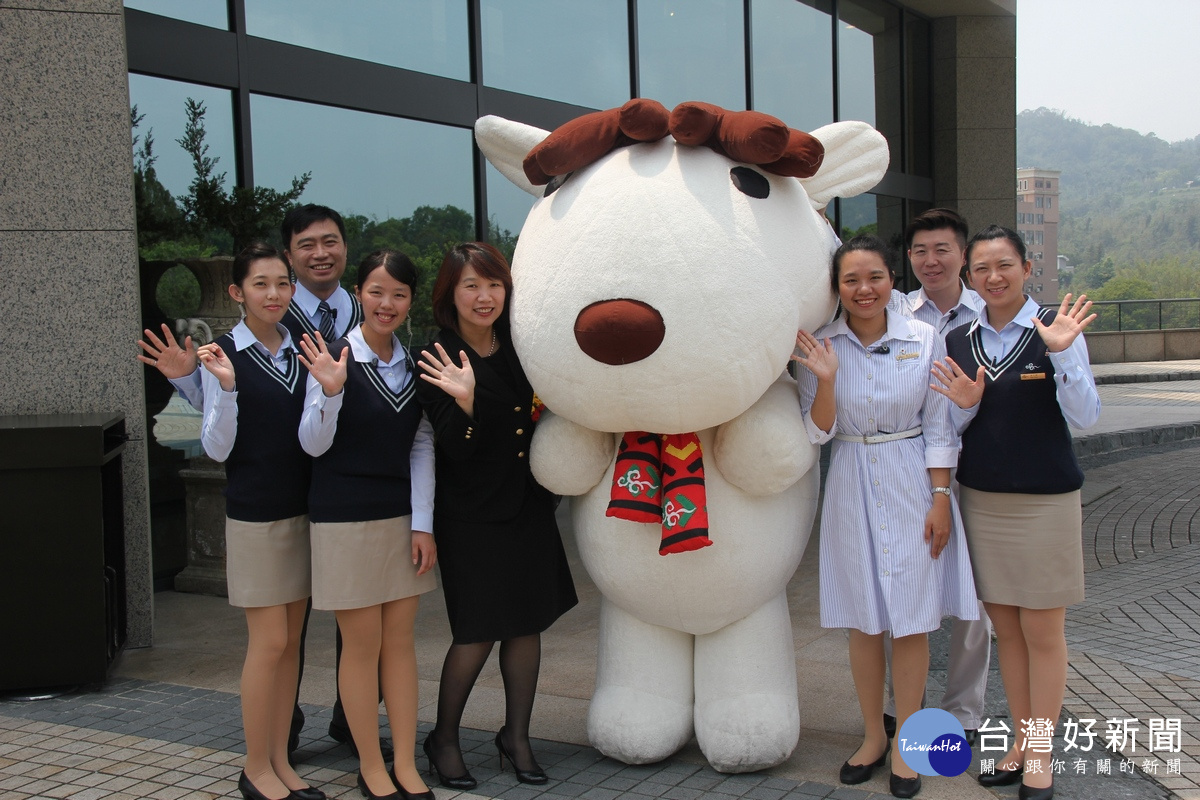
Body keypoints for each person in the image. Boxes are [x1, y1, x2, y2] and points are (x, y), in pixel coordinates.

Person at [136, 204, 380, 758]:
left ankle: (353, 719)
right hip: (273, 500)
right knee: (278, 639)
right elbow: (228, 425)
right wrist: (190, 381)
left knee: (357, 620)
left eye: (331, 241)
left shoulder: (368, 310)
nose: (321, 253)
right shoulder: (259, 334)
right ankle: (274, 742)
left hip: (347, 493)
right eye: (306, 246)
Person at [795, 235, 978, 799]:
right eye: (851, 280)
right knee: (864, 616)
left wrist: (941, 499)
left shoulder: (924, 339)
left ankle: (908, 745)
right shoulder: (820, 346)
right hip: (850, 474)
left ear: (890, 279)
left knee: (913, 616)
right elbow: (817, 432)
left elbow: (940, 426)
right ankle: (874, 734)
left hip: (910, 477)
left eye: (874, 276)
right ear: (838, 288)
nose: (864, 289)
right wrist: (825, 379)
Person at [931, 225, 1099, 800]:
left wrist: (1064, 356)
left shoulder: (1056, 331)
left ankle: (1042, 754)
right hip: (984, 500)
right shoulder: (958, 341)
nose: (993, 277)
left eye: (1005, 265)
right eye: (981, 268)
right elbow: (951, 428)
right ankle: (1023, 743)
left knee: (1042, 630)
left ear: (1027, 268)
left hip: (1046, 501)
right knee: (1007, 630)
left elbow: (1087, 415)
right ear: (970, 278)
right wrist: (964, 408)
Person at [414, 242, 578, 789]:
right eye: (470, 286)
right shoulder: (437, 355)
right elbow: (455, 450)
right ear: (450, 295)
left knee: (526, 624)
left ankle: (517, 736)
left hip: (526, 506)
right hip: (469, 516)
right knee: (477, 632)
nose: (484, 297)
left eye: (493, 285)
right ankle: (443, 738)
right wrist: (464, 405)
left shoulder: (519, 347)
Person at [298, 249, 437, 800]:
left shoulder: (416, 361)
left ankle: (404, 762)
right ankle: (369, 766)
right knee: (361, 646)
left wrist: (422, 524)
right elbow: (312, 443)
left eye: (399, 294)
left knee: (400, 644)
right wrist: (331, 390)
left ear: (410, 302)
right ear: (359, 293)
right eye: (378, 291)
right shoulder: (332, 356)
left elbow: (422, 443)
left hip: (401, 519)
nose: (388, 303)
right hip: (343, 518)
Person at [194, 243, 325, 800]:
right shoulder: (221, 354)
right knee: (268, 642)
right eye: (260, 284)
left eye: (282, 284)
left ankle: (279, 760)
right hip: (255, 517)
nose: (274, 294)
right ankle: (254, 767)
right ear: (237, 292)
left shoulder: (302, 350)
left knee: (292, 644)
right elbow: (217, 447)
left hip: (304, 512)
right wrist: (225, 388)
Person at [882, 208, 991, 744]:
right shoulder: (894, 311)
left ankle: (963, 712)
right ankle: (900, 705)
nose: (931, 260)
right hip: (909, 469)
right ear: (908, 259)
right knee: (902, 583)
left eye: (942, 249)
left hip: (979, 471)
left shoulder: (989, 314)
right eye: (920, 251)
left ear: (963, 255)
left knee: (974, 596)